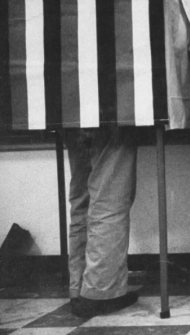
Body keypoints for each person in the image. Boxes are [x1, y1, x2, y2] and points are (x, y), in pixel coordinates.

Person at [65, 127, 139, 317]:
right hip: (111, 109)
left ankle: (79, 287)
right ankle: (100, 293)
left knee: (82, 199)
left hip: (71, 110)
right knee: (109, 198)